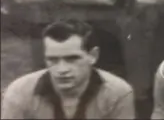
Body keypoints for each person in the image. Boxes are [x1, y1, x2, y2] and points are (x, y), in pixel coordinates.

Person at [1, 19, 135, 119]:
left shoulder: (118, 93)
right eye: (52, 59)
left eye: (72, 59)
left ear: (93, 56)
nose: (62, 69)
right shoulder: (20, 92)